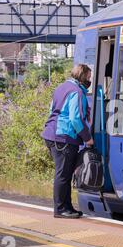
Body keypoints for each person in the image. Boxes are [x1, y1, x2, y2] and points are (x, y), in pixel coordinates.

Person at [42, 64, 94, 219]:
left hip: (53, 134)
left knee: (64, 173)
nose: (90, 80)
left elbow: (52, 110)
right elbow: (75, 118)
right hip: (63, 137)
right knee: (63, 174)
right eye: (89, 77)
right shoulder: (76, 92)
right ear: (83, 76)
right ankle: (60, 209)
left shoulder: (61, 88)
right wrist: (88, 138)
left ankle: (67, 207)